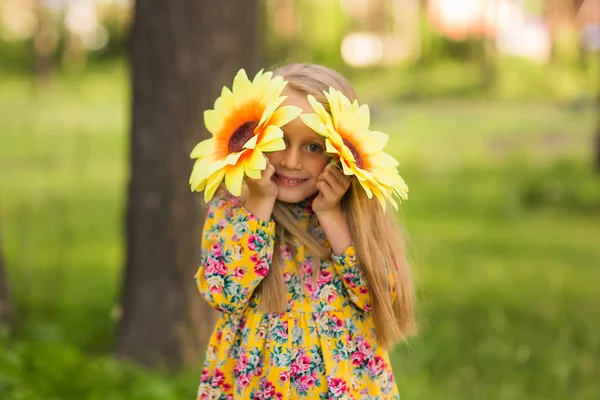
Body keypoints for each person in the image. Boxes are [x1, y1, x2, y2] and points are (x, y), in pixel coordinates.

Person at [195, 63, 416, 400]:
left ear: (340, 151)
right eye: (279, 138)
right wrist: (258, 202)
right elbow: (223, 293)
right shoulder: (234, 206)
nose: (291, 161)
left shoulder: (355, 213)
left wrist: (331, 216)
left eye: (313, 147)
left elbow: (381, 300)